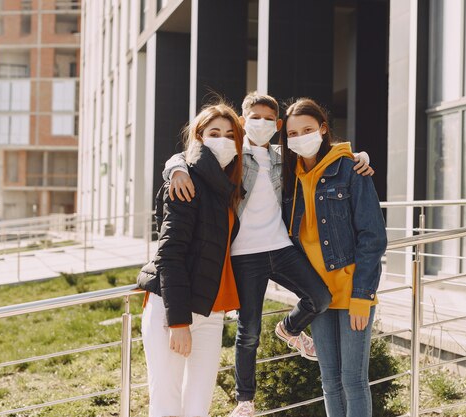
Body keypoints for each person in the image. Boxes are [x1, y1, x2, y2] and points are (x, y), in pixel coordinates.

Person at [163, 92, 375, 417]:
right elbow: (188, 155)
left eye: (268, 119)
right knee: (248, 332)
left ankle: (290, 329)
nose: (260, 124)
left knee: (319, 297)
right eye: (253, 118)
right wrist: (175, 168)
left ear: (277, 125)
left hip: (281, 247)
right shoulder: (232, 157)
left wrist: (357, 154)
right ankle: (244, 400)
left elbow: (325, 156)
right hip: (244, 255)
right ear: (242, 122)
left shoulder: (283, 157)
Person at [280, 98, 387, 417]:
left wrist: (362, 296)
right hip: (318, 296)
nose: (300, 137)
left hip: (352, 291)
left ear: (323, 129)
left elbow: (373, 237)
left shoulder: (351, 169)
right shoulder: (288, 176)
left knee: (354, 380)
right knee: (329, 380)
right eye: (293, 133)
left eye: (308, 130)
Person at [136, 103, 244, 417]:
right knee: (167, 405)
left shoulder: (227, 187)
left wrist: (356, 157)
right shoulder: (184, 184)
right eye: (214, 133)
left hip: (211, 312)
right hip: (172, 310)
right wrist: (179, 321)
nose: (223, 140)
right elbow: (169, 255)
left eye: (229, 134)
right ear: (199, 137)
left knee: (198, 408)